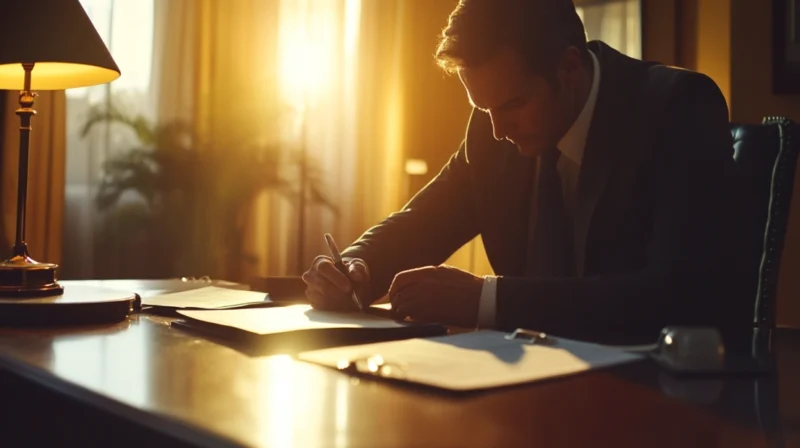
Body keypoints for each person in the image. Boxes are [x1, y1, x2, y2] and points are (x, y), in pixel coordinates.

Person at [301, 0, 753, 343]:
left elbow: (677, 295)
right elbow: (423, 220)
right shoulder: (491, 126)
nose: (497, 129)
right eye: (484, 108)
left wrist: (487, 300)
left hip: (661, 403)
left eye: (513, 104)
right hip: (528, 392)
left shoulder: (676, 108)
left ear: (569, 67)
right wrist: (355, 268)